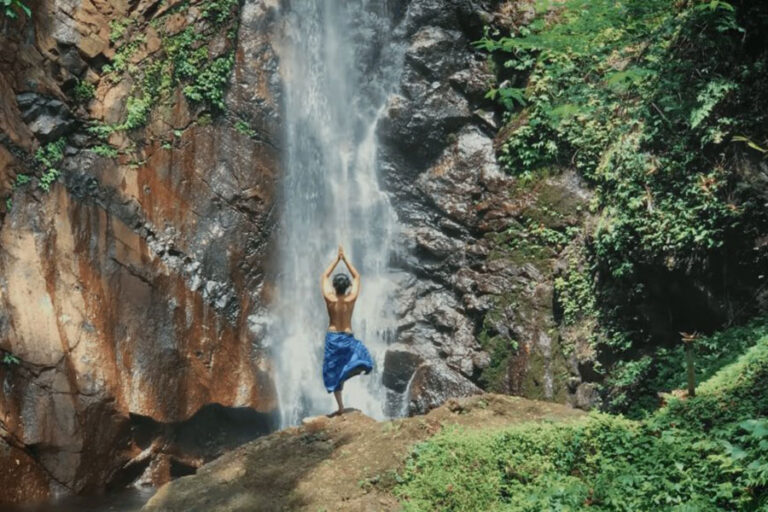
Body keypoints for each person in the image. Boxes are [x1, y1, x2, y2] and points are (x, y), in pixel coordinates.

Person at [320, 244, 373, 416]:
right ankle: (355, 368)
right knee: (362, 354)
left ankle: (341, 407)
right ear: (347, 286)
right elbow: (357, 276)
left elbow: (324, 275)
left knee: (333, 370)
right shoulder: (351, 299)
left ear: (334, 286)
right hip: (348, 339)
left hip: (333, 338)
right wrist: (345, 259)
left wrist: (337, 259)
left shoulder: (329, 298)